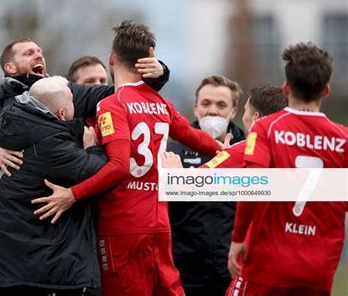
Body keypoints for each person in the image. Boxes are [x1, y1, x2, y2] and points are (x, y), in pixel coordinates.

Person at [32, 20, 222, 296]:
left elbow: (120, 167)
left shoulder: (111, 104)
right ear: (149, 58)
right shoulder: (161, 102)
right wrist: (225, 149)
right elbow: (194, 137)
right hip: (159, 223)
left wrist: (73, 194)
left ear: (111, 60)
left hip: (123, 227)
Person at [0, 76, 108, 296]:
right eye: (72, 105)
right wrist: (92, 148)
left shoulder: (15, 120)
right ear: (61, 114)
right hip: (14, 261)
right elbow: (98, 170)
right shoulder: (49, 141)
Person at [228, 42, 347, 296]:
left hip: (268, 265)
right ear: (326, 90)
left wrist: (238, 238)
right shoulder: (343, 140)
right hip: (319, 270)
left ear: (286, 87)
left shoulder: (267, 128)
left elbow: (253, 184)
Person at [0, 38, 169, 180]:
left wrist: (158, 74)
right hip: (15, 212)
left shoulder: (66, 92)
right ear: (10, 67)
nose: (38, 55)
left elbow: (121, 94)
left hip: (63, 212)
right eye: (29, 53)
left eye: (40, 52)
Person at [166, 75, 245, 295]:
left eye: (221, 105)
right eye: (206, 104)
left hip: (234, 271)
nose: (212, 111)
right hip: (185, 273)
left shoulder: (249, 152)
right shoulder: (174, 151)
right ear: (196, 108)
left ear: (233, 111)